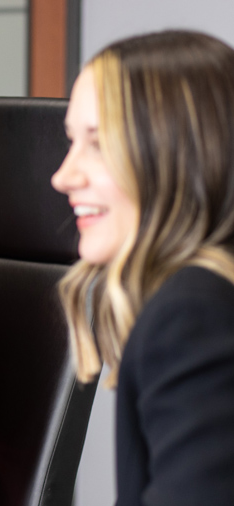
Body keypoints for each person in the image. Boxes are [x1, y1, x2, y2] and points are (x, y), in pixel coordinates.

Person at [52, 30, 234, 506]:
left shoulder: (191, 314)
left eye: (98, 143)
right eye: (72, 141)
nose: (63, 176)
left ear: (180, 150)